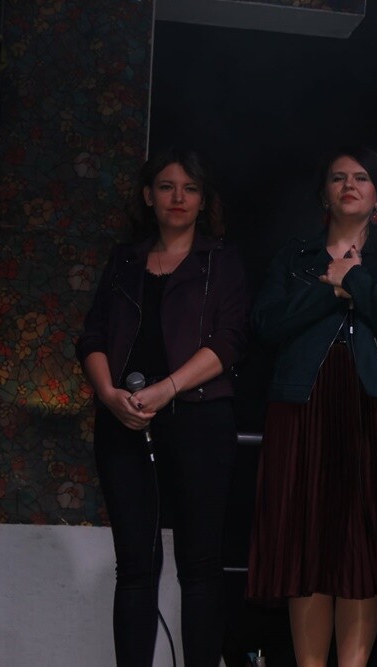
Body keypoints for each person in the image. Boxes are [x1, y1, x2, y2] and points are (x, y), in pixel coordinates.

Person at [246, 146, 377, 667]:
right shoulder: (296, 255)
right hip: (303, 406)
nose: (349, 184)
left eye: (361, 177)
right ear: (324, 194)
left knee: (363, 545)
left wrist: (356, 281)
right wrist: (331, 287)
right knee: (306, 543)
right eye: (338, 177)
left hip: (374, 406)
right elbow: (265, 325)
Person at [76, 148, 248, 667]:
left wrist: (167, 388)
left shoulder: (222, 260)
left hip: (200, 419)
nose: (178, 197)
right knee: (134, 567)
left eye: (190, 188)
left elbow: (229, 342)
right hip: (124, 422)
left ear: (203, 201)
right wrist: (110, 396)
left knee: (200, 567)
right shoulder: (123, 260)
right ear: (148, 196)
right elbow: (92, 337)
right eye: (167, 187)